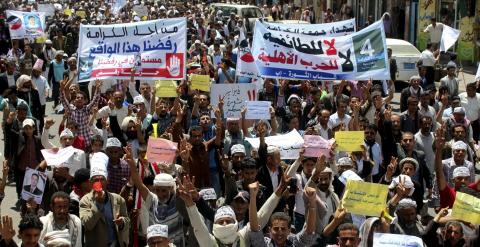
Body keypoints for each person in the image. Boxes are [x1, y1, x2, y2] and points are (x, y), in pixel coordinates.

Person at [79, 152, 130, 247]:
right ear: (90, 183)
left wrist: (122, 222)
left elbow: (127, 220)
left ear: (107, 180)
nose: (99, 183)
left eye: (102, 179)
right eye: (95, 180)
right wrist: (98, 204)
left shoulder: (118, 199)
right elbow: (87, 225)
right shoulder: (85, 201)